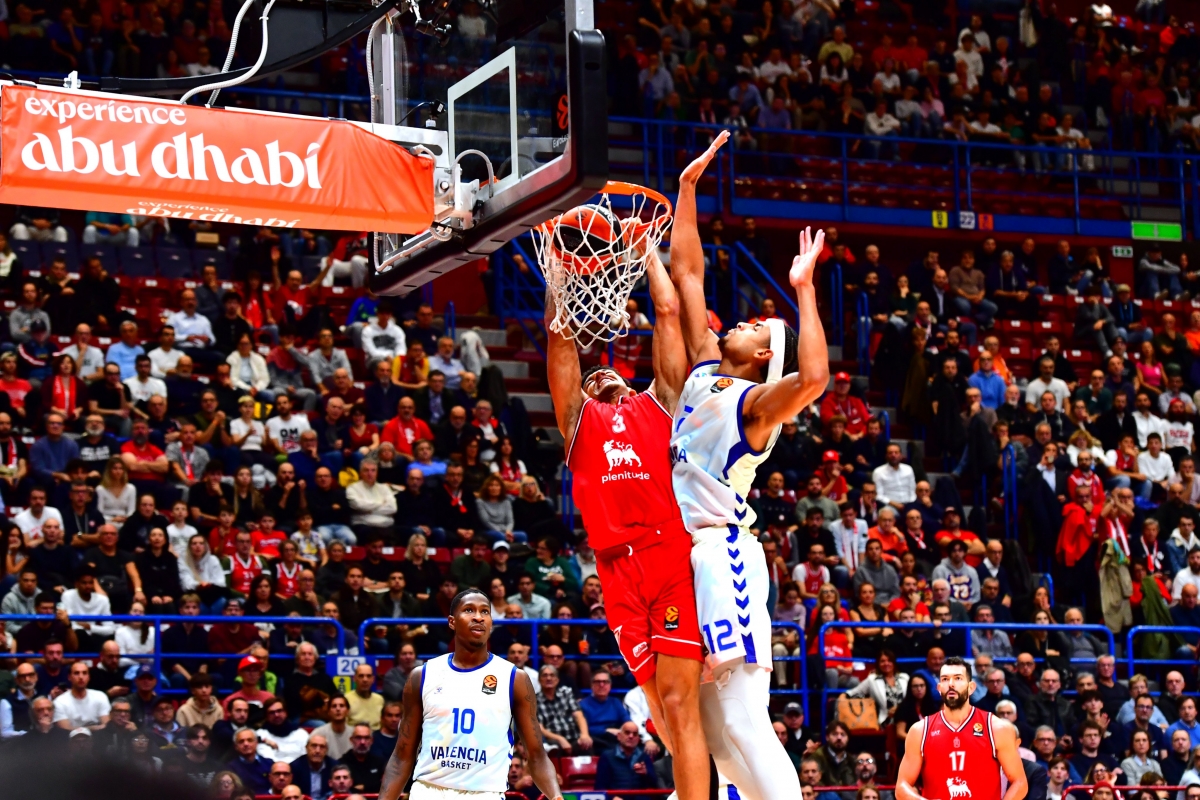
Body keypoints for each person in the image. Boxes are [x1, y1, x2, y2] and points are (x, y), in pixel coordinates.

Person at [669, 133, 826, 800]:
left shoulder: (757, 405)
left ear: (765, 356)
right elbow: (688, 275)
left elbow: (815, 377)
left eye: (760, 326)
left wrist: (802, 290)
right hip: (688, 554)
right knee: (711, 731)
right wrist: (686, 191)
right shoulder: (706, 369)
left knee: (739, 716)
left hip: (723, 554)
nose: (743, 322)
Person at [377, 588, 564, 800]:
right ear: (452, 621)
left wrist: (556, 796)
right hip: (428, 791)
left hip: (485, 794)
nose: (478, 617)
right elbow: (402, 756)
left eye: (485, 612)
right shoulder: (422, 676)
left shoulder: (514, 679)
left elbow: (537, 755)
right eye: (469, 610)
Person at [896, 656, 1028, 800]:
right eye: (945, 679)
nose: (951, 684)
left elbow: (1020, 782)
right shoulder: (920, 730)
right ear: (939, 688)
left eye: (958, 678)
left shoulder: (996, 728)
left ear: (971, 687)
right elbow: (902, 785)